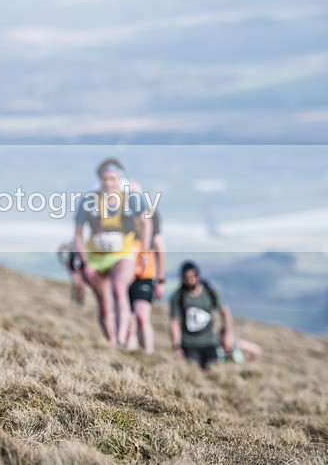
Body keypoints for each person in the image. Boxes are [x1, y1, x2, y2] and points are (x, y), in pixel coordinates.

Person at [74, 158, 151, 346]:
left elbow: (146, 222)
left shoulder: (131, 198)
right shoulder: (89, 200)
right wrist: (84, 263)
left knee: (119, 289)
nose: (109, 183)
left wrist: (145, 252)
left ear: (119, 179)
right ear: (100, 179)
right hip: (96, 257)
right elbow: (77, 234)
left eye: (113, 179)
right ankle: (110, 341)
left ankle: (121, 338)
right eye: (105, 179)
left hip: (122, 254)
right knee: (105, 304)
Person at [169, 261, 234, 370]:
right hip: (189, 344)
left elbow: (224, 312)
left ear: (197, 275)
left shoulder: (209, 290)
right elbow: (175, 322)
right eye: (186, 277)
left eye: (192, 276)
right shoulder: (179, 296)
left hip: (209, 342)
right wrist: (176, 346)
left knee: (214, 372)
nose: (190, 280)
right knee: (194, 373)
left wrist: (227, 335)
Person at [126, 181, 165, 354]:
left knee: (142, 316)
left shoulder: (152, 215)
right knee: (129, 320)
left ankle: (148, 354)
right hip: (124, 274)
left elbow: (159, 247)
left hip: (145, 273)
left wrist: (160, 279)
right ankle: (131, 357)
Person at [57, 242, 86, 306]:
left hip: (82, 270)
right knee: (75, 283)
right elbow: (61, 249)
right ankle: (74, 299)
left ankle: (80, 301)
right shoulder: (72, 245)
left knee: (81, 285)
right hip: (74, 269)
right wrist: (63, 261)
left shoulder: (84, 245)